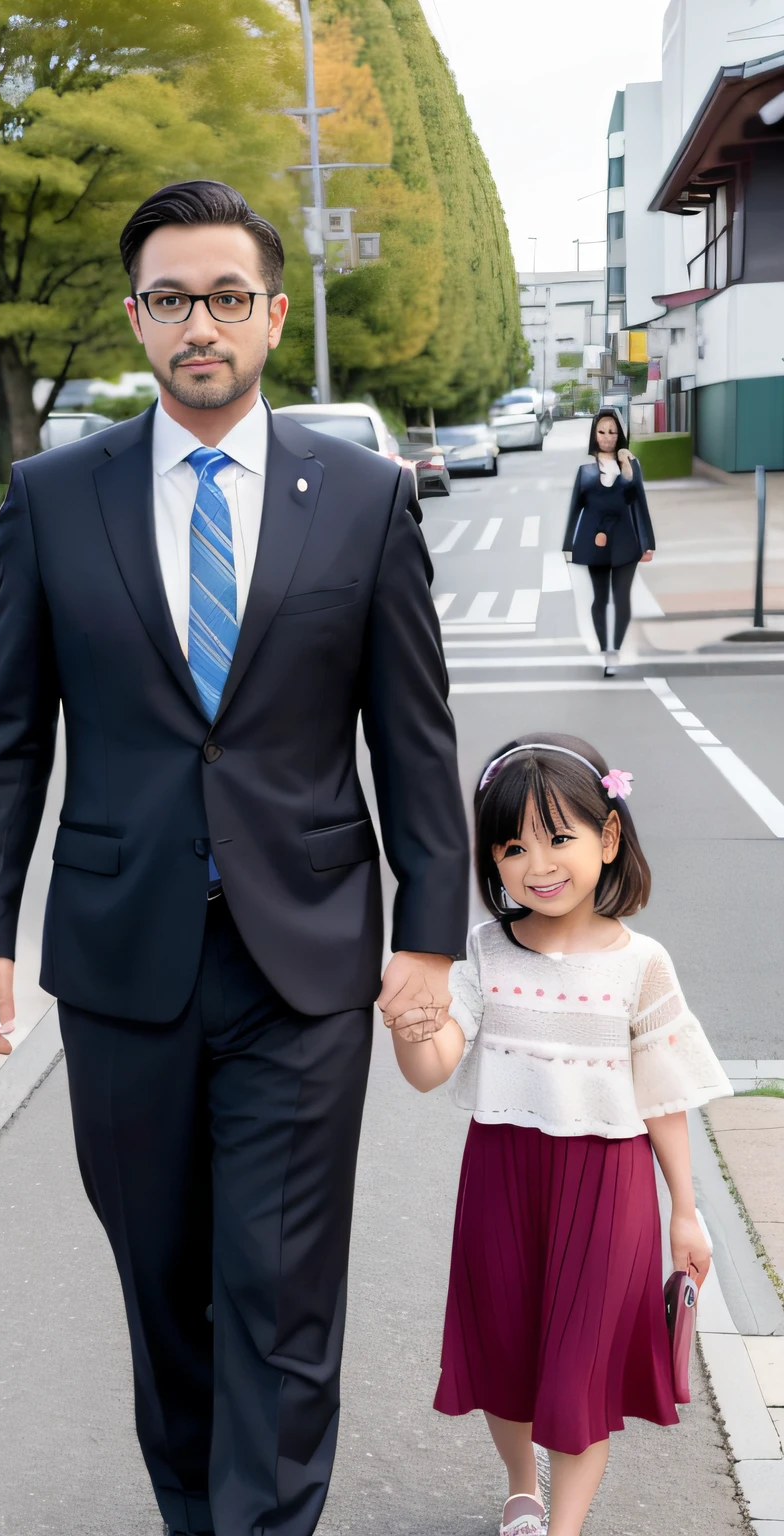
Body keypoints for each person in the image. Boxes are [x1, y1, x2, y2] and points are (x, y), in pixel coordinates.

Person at [0, 180, 470, 1536]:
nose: (200, 324)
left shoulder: (360, 498)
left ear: (274, 314)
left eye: (227, 297)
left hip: (305, 962)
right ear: (137, 317)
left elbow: (415, 738)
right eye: (172, 299)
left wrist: (428, 937)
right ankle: (200, 1513)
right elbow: (4, 733)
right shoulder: (59, 496)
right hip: (125, 965)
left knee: (283, 1289)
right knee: (165, 1284)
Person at [388, 733, 732, 1536]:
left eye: (559, 837)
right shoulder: (483, 951)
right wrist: (411, 1024)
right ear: (492, 863)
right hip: (502, 1175)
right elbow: (435, 1065)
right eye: (512, 847)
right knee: (504, 1351)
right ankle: (521, 1489)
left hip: (609, 1184)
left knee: (580, 1372)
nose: (537, 863)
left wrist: (685, 1210)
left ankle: (564, 1527)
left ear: (608, 839)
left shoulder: (641, 962)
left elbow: (663, 1095)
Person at [562, 408, 655, 678]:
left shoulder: (630, 465)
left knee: (622, 597)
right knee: (600, 598)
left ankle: (617, 647)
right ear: (594, 435)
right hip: (595, 541)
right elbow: (574, 509)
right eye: (602, 432)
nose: (607, 437)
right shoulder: (586, 471)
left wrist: (648, 542)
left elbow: (639, 502)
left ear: (620, 435)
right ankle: (607, 650)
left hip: (626, 539)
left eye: (612, 432)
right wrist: (568, 545)